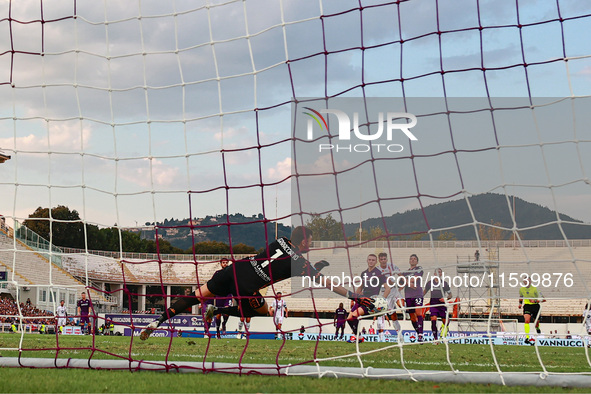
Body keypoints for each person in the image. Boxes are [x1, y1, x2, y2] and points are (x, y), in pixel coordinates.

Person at [140, 226, 374, 341]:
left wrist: (315, 266)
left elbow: (283, 260)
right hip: (247, 285)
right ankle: (220, 310)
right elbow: (326, 283)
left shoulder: (280, 240)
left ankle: (157, 322)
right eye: (309, 242)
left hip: (235, 269)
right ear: (303, 241)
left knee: (196, 296)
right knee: (260, 311)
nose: (310, 246)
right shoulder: (301, 264)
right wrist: (353, 296)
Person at [345, 254, 390, 336]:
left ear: (376, 262)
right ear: (367, 261)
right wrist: (353, 299)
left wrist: (382, 300)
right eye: (369, 259)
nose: (371, 261)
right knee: (349, 318)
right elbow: (360, 287)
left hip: (370, 301)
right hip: (361, 299)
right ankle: (358, 336)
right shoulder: (364, 273)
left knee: (354, 315)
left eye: (373, 260)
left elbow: (388, 288)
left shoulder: (379, 273)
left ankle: (358, 337)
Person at [423, 268, 452, 343]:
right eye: (437, 272)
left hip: (442, 305)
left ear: (441, 274)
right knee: (433, 320)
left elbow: (450, 295)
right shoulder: (430, 283)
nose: (438, 273)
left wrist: (445, 299)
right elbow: (424, 292)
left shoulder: (444, 283)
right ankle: (435, 339)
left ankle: (443, 334)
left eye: (440, 272)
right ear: (434, 274)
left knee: (446, 322)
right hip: (433, 305)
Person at [377, 252, 402, 334]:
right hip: (386, 293)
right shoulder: (377, 270)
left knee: (401, 303)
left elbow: (400, 275)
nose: (383, 261)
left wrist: (403, 284)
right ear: (379, 260)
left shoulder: (392, 266)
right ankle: (399, 333)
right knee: (393, 315)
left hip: (394, 290)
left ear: (387, 259)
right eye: (381, 259)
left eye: (384, 259)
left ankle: (406, 311)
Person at [402, 254, 424, 342]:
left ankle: (420, 335)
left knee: (418, 313)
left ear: (417, 261)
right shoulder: (405, 272)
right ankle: (419, 333)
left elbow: (413, 279)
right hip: (408, 295)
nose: (412, 260)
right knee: (412, 317)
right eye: (411, 259)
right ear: (409, 261)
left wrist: (406, 281)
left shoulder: (419, 268)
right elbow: (401, 283)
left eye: (414, 259)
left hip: (417, 294)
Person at [518, 275, 545, 345]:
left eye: (527, 281)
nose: (526, 282)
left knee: (536, 322)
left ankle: (537, 327)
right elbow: (521, 297)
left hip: (535, 306)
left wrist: (535, 301)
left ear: (530, 281)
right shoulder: (521, 289)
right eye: (525, 281)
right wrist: (520, 303)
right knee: (527, 320)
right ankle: (527, 337)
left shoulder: (535, 289)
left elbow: (543, 299)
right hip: (527, 306)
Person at [213, 258, 232, 339]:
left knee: (227, 310)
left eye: (226, 262)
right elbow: (213, 282)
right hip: (219, 295)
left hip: (228, 294)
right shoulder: (217, 273)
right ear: (220, 264)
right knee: (218, 314)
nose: (225, 264)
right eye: (223, 263)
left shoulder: (231, 272)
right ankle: (217, 332)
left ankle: (224, 323)